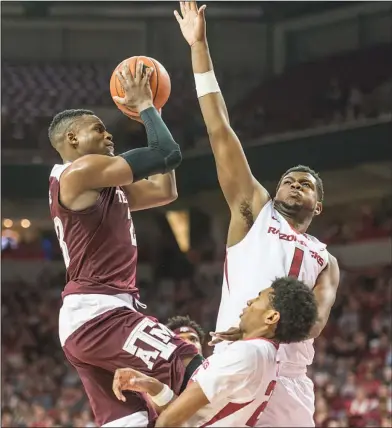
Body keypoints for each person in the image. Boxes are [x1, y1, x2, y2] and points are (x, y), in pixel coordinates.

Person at [174, 2, 340, 427]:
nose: (296, 183)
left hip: (290, 377)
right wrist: (199, 47)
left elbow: (315, 323)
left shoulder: (326, 259)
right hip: (240, 360)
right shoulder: (253, 212)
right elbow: (220, 130)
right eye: (290, 178)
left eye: (307, 184)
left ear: (317, 206)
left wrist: (263, 329)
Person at [49, 60, 202, 427]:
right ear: (72, 140)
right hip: (99, 315)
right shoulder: (80, 173)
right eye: (98, 129)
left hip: (92, 317)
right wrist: (147, 107)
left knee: (130, 421)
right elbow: (167, 153)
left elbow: (165, 189)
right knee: (190, 364)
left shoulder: (101, 185)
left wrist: (157, 112)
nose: (108, 136)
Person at [112, 277, 318, 427]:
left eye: (258, 299)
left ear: (271, 317)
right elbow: (192, 417)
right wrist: (153, 386)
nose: (249, 302)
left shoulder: (247, 354)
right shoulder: (266, 355)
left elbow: (169, 422)